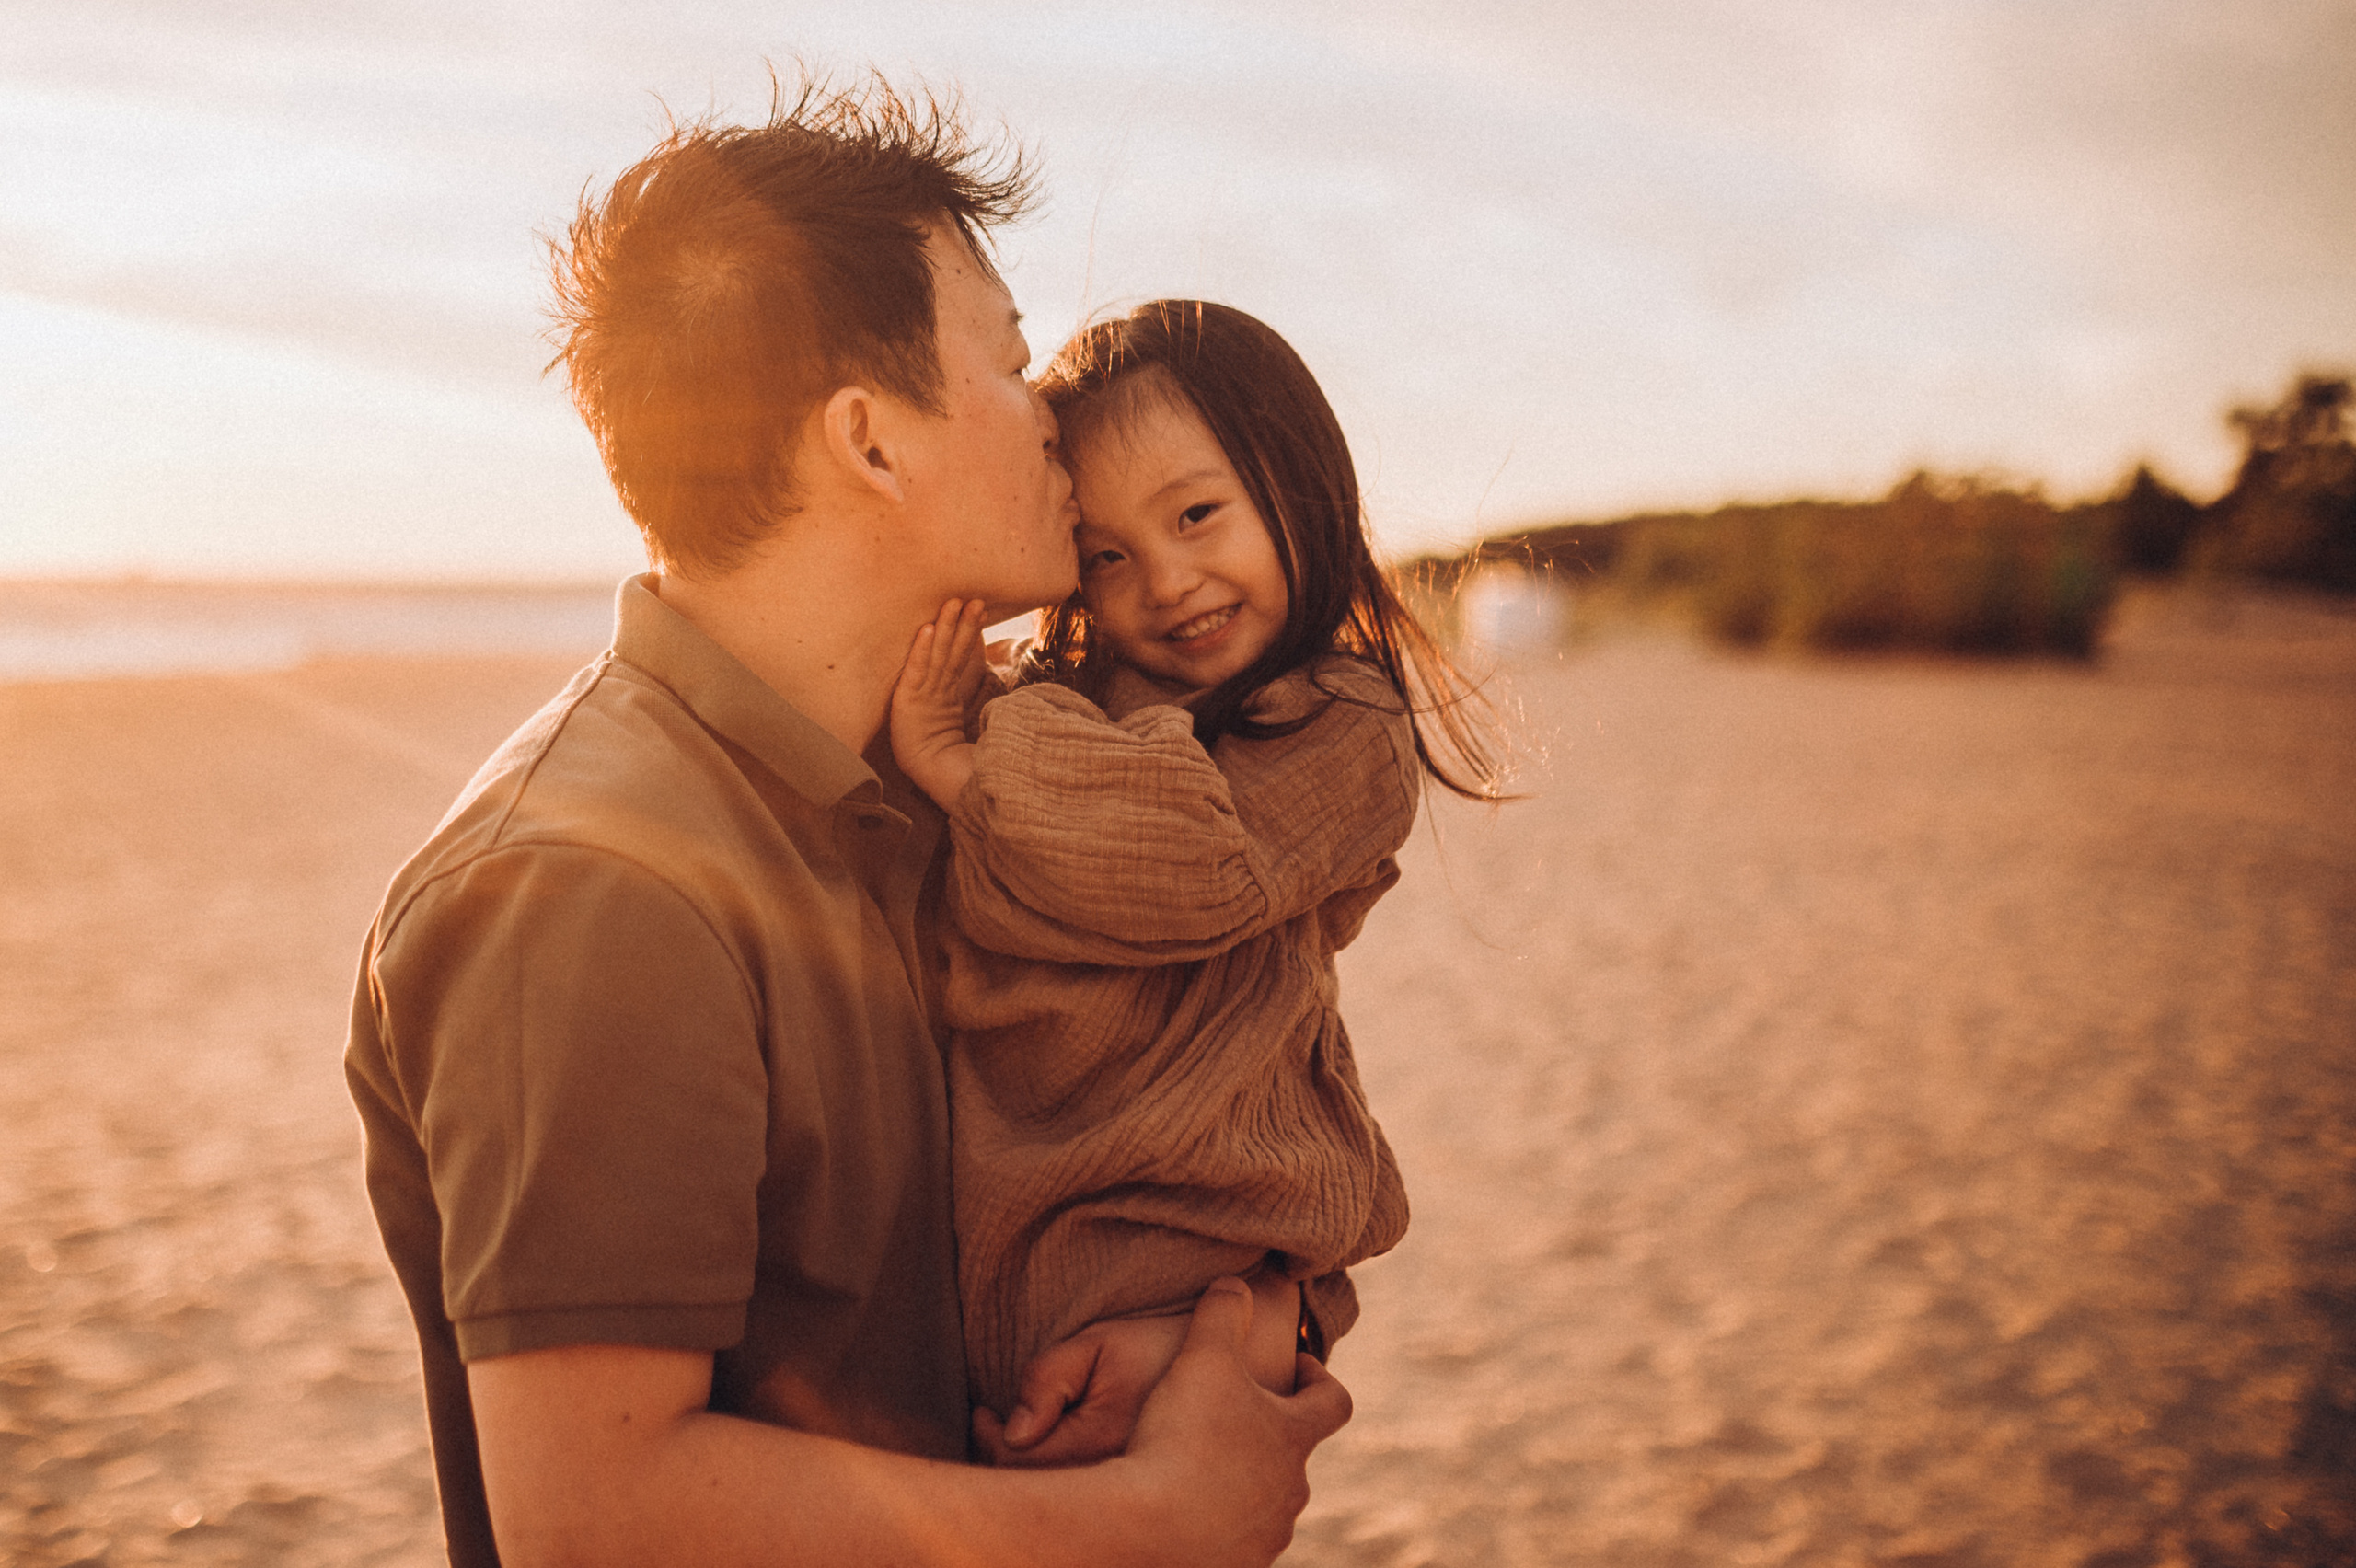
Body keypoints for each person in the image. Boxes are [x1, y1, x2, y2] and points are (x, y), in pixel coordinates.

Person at [342, 82, 1347, 1568]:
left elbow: (1230, 1113)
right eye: (1011, 365)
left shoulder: (988, 771)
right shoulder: (594, 886)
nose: (1057, 416)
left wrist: (1219, 1326)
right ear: (872, 443)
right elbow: (591, 1509)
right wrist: (1147, 1517)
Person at [886, 300, 1505, 1464]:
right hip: (1018, 1230)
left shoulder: (1340, 717)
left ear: (1299, 485)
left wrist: (966, 771)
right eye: (1107, 554)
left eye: (1199, 515)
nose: (1166, 582)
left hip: (1182, 1239)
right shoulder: (1073, 695)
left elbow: (1191, 869)